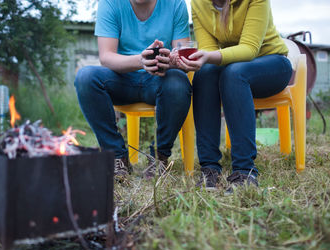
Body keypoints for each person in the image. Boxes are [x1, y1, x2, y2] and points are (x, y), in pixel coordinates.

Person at [176, 0, 292, 193]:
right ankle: (209, 169)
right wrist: (199, 59)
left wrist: (210, 57)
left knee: (234, 73)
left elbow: (249, 48)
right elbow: (209, 51)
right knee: (204, 74)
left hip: (273, 65)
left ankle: (245, 171)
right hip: (232, 68)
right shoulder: (198, 3)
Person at [74, 0, 192, 181]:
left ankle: (159, 157)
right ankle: (117, 156)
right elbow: (106, 57)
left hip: (160, 79)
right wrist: (141, 61)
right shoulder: (110, 3)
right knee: (85, 77)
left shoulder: (176, 4)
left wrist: (167, 60)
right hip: (122, 79)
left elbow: (181, 57)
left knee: (178, 82)